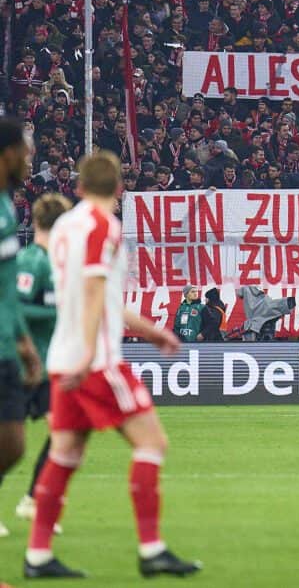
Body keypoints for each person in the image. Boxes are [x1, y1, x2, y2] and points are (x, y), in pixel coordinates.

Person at [24, 151, 199, 578]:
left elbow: (97, 296)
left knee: (65, 453)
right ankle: (152, 549)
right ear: (119, 188)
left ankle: (38, 555)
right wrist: (89, 353)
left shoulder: (64, 228)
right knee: (152, 443)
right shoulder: (105, 226)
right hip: (96, 360)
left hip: (62, 357)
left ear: (79, 187)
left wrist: (152, 332)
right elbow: (95, 293)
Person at [8, 194, 70, 533]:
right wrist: (57, 311)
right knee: (9, 443)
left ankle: (34, 500)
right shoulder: (32, 261)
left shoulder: (57, 264)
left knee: (64, 434)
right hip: (21, 364)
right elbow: (16, 308)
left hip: (49, 366)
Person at [0, 118, 43, 536]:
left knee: (12, 445)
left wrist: (25, 343)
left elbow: (7, 289)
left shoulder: (7, 207)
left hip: (7, 344)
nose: (30, 161)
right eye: (26, 152)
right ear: (8, 154)